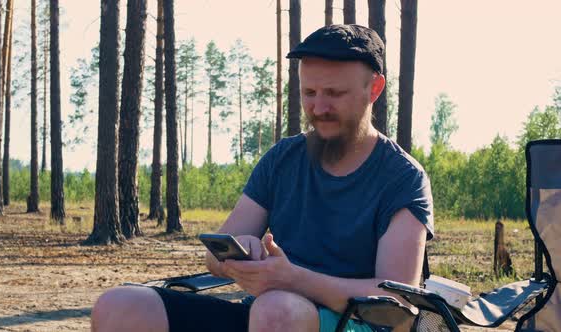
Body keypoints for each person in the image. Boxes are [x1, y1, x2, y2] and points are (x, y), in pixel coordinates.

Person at [90, 24, 434, 332]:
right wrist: (243, 256)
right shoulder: (283, 160)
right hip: (266, 317)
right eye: (309, 93)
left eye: (334, 94)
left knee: (276, 310)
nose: (319, 107)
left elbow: (397, 303)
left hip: (352, 323)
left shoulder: (403, 178)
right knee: (119, 306)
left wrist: (294, 280)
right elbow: (215, 256)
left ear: (374, 89)